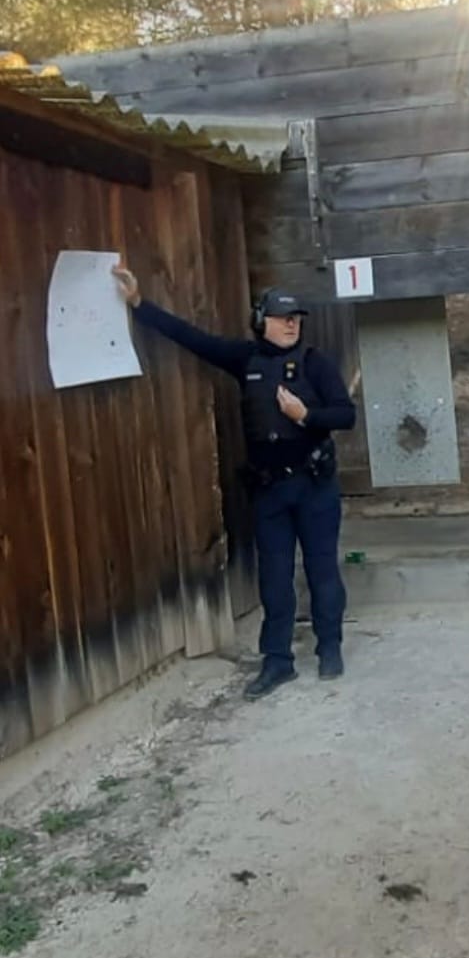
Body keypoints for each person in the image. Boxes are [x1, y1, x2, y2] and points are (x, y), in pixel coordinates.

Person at [113, 265, 357, 700]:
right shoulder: (246, 359)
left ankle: (330, 648)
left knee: (322, 571)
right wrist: (138, 304)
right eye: (282, 317)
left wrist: (307, 417)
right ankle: (278, 662)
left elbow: (345, 414)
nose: (290, 324)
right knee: (274, 579)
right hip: (269, 493)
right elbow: (192, 339)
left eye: (296, 318)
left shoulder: (315, 363)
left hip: (314, 487)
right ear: (261, 321)